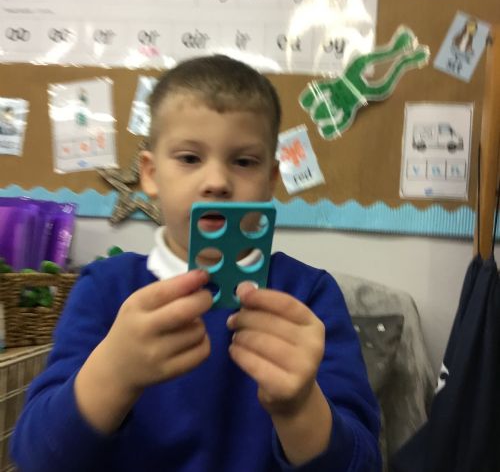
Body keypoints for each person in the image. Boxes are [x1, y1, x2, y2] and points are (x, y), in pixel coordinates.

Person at [11, 55, 381, 471]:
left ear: (271, 180)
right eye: (189, 158)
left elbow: (363, 462)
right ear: (151, 174)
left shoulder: (309, 295)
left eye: (244, 161)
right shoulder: (105, 289)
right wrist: (113, 373)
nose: (217, 182)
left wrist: (299, 408)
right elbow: (36, 457)